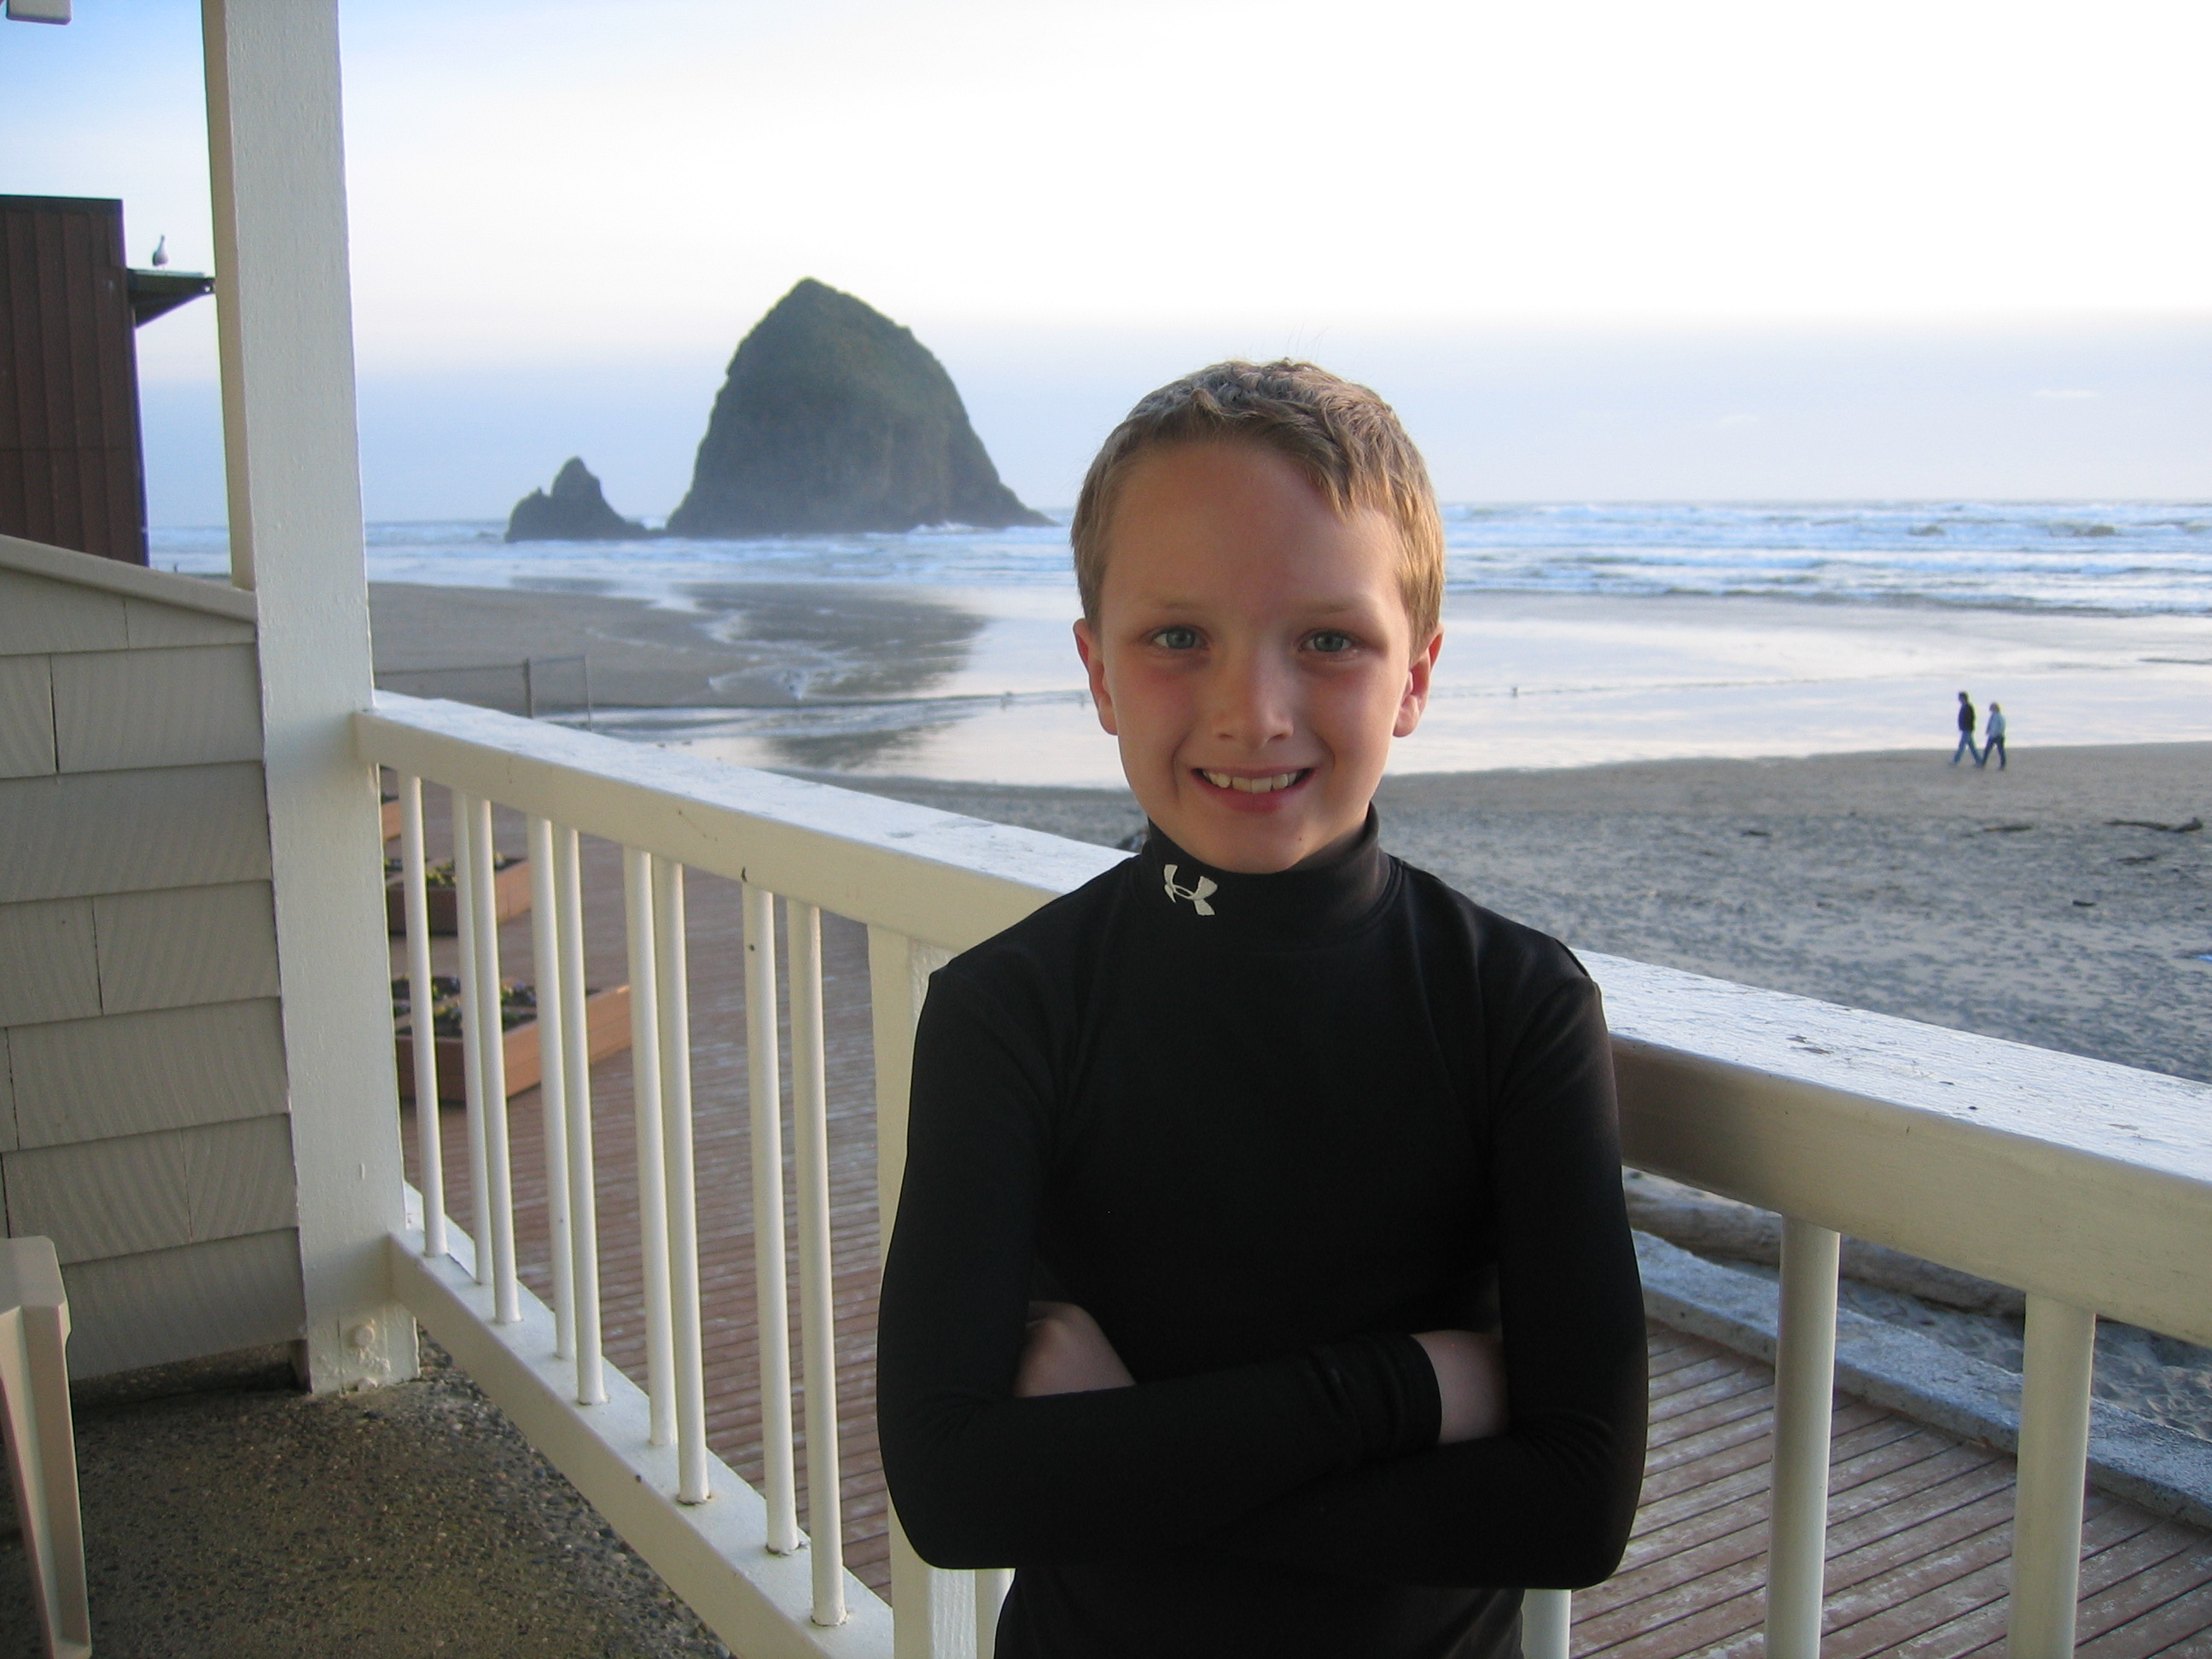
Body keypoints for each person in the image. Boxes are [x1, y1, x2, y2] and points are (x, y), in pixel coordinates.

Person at [876, 361, 1648, 1659]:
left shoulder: (1514, 1008)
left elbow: (1576, 1512)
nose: (1254, 711)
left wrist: (1119, 1455)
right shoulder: (1008, 1012)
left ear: (1414, 676)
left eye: (1330, 640)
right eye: (1179, 637)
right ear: (1099, 670)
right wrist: (1409, 1387)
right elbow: (954, 1492)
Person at [1952, 690, 1982, 765]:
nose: (1959, 699)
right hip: (1966, 729)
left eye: (1960, 698)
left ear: (1963, 698)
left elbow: (1970, 718)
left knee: (1962, 746)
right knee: (1972, 747)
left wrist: (1966, 727)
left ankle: (1956, 760)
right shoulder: (1965, 706)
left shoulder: (1968, 706)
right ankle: (1979, 760)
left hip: (1967, 729)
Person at [1980, 701, 2007, 769]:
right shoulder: (1992, 716)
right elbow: (1990, 724)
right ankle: (1983, 763)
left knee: (2000, 751)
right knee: (1987, 750)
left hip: (1998, 736)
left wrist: (1999, 733)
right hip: (1992, 736)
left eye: (1991, 707)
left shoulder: (1999, 716)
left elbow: (2002, 726)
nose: (1990, 709)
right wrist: (1988, 730)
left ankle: (2003, 765)